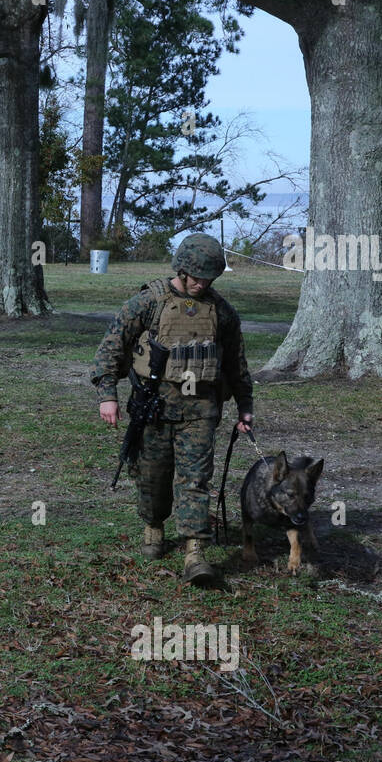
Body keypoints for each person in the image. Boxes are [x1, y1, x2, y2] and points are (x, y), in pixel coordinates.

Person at [90, 233, 254, 586]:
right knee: (152, 477)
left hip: (200, 411)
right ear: (181, 269)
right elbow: (111, 348)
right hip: (154, 407)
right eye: (196, 277)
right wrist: (108, 394)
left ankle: (196, 552)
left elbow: (236, 365)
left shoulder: (222, 312)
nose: (201, 284)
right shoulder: (147, 302)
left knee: (195, 479)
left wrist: (245, 407)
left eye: (208, 278)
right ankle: (153, 525)